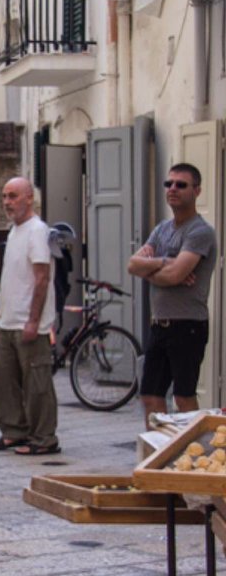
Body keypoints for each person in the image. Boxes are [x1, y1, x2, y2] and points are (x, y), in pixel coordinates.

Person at [128, 163, 218, 416]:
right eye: (169, 184)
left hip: (187, 325)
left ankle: (194, 453)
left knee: (183, 397)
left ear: (197, 191)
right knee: (150, 396)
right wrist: (165, 263)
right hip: (160, 324)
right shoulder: (162, 229)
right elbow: (132, 265)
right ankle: (160, 454)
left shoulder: (201, 232)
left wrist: (153, 269)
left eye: (181, 184)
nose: (173, 189)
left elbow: (176, 275)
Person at [0, 177, 60, 457]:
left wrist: (33, 320)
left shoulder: (37, 231)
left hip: (29, 323)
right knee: (1, 381)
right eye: (5, 196)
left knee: (37, 384)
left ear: (30, 198)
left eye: (13, 196)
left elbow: (42, 279)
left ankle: (44, 437)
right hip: (7, 320)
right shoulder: (13, 231)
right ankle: (14, 431)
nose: (7, 202)